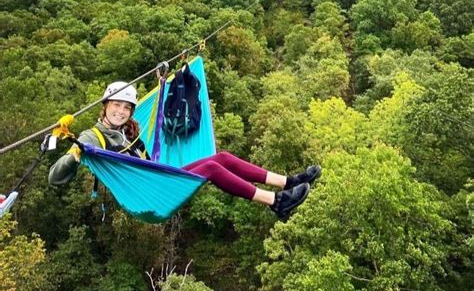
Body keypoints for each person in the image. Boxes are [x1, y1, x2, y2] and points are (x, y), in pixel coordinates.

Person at [49, 81, 322, 219]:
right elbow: (55, 177)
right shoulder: (91, 136)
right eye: (116, 105)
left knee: (222, 157)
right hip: (147, 196)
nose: (121, 111)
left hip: (158, 179)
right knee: (213, 168)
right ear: (105, 106)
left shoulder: (128, 130)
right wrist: (75, 154)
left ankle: (289, 182)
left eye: (126, 107)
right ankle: (276, 203)